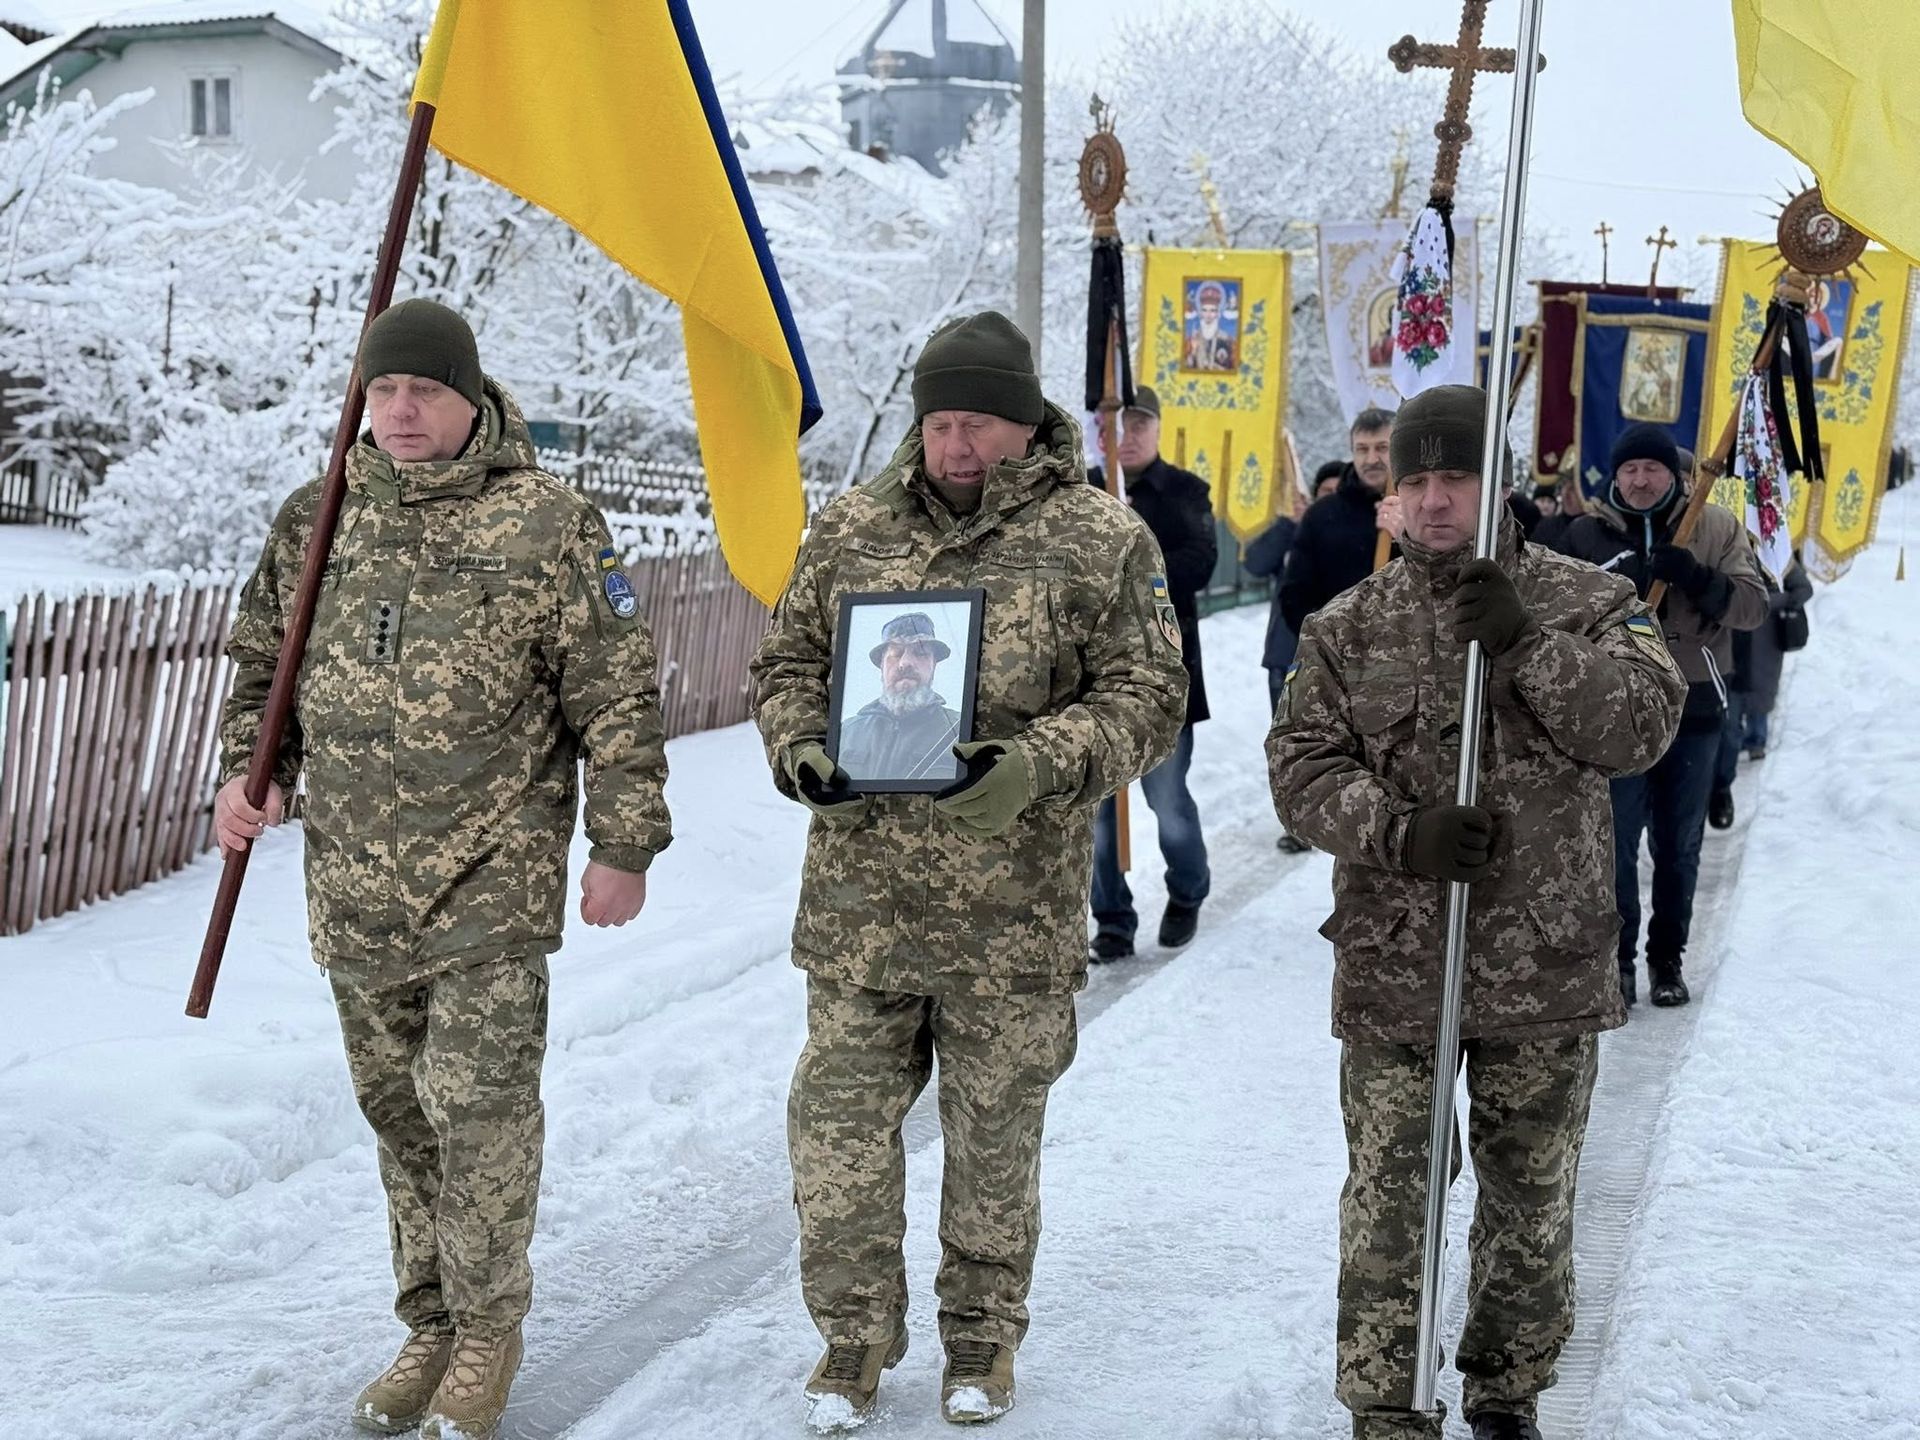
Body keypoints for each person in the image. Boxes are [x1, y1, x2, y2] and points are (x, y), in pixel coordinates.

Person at [215, 299, 671, 1440]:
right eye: (383, 390)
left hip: (490, 880)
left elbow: (616, 694)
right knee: (399, 1118)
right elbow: (262, 670)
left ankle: (485, 1332)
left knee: (479, 1113)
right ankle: (429, 1320)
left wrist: (624, 844)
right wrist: (247, 774)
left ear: (470, 397)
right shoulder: (318, 518)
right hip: (354, 885)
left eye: (423, 389)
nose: (402, 410)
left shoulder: (548, 524)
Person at [750, 311, 1186, 1430]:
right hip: (861, 909)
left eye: (980, 424)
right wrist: (800, 749)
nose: (957, 445)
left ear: (1024, 423)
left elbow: (1149, 695)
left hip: (1013, 912)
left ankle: (982, 1341)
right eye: (941, 422)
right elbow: (787, 662)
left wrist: (1040, 762)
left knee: (994, 1142)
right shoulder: (851, 528)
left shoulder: (1099, 539)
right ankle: (852, 1340)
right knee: (836, 1134)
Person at [1267, 385, 1684, 1440]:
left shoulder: (1590, 599)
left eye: (1455, 477)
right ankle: (1389, 1401)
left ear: (1496, 483)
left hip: (1543, 959)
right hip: (1398, 959)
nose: (1435, 500)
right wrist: (1399, 832)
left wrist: (1528, 646)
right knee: (1392, 1194)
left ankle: (1507, 1392)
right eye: (1416, 480)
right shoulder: (1346, 627)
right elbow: (1300, 769)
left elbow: (1641, 727)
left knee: (1528, 1195)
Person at [1551, 423, 1766, 1007]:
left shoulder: (1714, 526)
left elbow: (1753, 608)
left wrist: (1698, 578)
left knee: (1679, 845)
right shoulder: (1586, 534)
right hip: (1614, 710)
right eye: (1630, 469)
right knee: (1614, 843)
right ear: (1614, 475)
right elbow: (1556, 620)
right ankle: (1618, 964)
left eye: (1653, 469)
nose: (1641, 480)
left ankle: (1666, 960)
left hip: (1694, 707)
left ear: (1674, 474)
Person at [1085, 384, 1217, 959]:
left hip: (1164, 676)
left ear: (1158, 429)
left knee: (1167, 802)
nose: (1127, 434)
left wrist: (1134, 558)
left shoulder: (1185, 491)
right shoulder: (1084, 491)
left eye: (1139, 424)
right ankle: (1112, 918)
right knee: (1096, 814)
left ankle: (1187, 891)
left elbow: (1201, 563)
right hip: (1092, 682)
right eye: (1117, 423)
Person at [1247, 460, 1343, 854]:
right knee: (1291, 747)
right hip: (1287, 655)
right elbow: (1254, 563)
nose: (1329, 502)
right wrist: (1289, 524)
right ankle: (1298, 821)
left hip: (1337, 658)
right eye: (1324, 493)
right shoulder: (1296, 532)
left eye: (1337, 494)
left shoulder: (1352, 533)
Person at [1709, 552, 1811, 823]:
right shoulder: (1725, 552)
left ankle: (1754, 743)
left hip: (1764, 644)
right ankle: (1720, 786)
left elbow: (1803, 589)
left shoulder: (1775, 556)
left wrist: (1767, 603)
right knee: (1729, 726)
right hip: (1728, 649)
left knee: (1759, 696)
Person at [1279, 407, 1399, 635]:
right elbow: (1295, 595)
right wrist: (1326, 641)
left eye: (1382, 448)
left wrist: (1407, 535)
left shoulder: (1420, 510)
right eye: (1362, 449)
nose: (1371, 459)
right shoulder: (1321, 515)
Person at [837, 611, 963, 783]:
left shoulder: (960, 733)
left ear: (933, 665)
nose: (905, 663)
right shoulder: (846, 734)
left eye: (920, 653)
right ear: (881, 665)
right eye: (896, 653)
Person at [1184, 281, 1236, 371]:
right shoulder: (1192, 338)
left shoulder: (1227, 339)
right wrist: (1193, 351)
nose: (1208, 315)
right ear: (1200, 312)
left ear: (1218, 313)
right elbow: (1185, 368)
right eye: (1204, 310)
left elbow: (1233, 368)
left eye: (1212, 310)